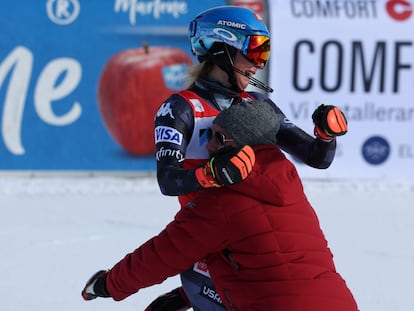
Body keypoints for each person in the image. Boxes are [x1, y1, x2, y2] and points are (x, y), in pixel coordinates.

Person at [150, 5, 348, 311]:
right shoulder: (180, 108)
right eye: (255, 51)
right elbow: (168, 180)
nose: (259, 65)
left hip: (256, 248)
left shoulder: (257, 104)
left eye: (265, 54)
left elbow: (316, 157)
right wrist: (211, 175)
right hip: (211, 243)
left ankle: (186, 295)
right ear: (222, 49)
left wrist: (326, 135)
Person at [81, 100, 358, 311]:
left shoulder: (224, 199)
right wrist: (186, 295)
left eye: (215, 137)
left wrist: (108, 284)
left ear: (235, 144)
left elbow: (163, 254)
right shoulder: (288, 188)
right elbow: (270, 265)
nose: (208, 147)